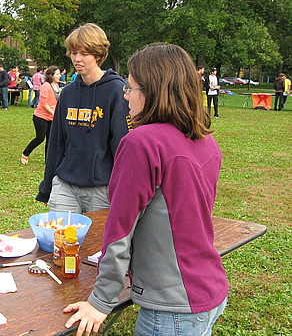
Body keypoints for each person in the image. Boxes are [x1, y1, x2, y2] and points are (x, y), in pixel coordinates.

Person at [64, 43, 228, 336]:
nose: (125, 96)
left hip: (172, 307)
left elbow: (120, 229)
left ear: (152, 91)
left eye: (130, 88)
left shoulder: (142, 143)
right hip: (209, 289)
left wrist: (101, 301)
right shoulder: (207, 141)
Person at [36, 23, 130, 214]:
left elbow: (123, 148)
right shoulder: (68, 93)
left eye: (84, 53)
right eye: (73, 52)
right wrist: (47, 187)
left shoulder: (116, 92)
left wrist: (124, 192)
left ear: (98, 55)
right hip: (66, 185)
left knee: (96, 243)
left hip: (102, 188)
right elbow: (56, 143)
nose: (77, 59)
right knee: (60, 240)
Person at [21, 66, 61, 164]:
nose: (59, 75)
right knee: (40, 138)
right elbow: (44, 104)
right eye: (57, 74)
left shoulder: (57, 85)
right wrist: (54, 113)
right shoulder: (46, 86)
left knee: (50, 139)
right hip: (40, 116)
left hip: (52, 117)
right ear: (51, 75)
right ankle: (25, 153)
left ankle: (48, 161)